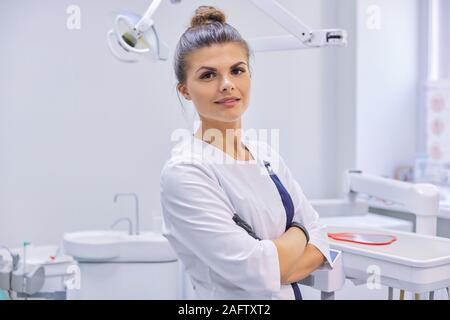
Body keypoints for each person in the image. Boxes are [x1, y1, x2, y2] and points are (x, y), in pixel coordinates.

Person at [160, 6, 332, 300]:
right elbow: (258, 268)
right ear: (185, 90)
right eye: (208, 75)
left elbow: (321, 235)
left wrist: (282, 263)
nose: (227, 84)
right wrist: (300, 232)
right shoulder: (186, 171)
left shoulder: (265, 154)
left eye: (237, 70)